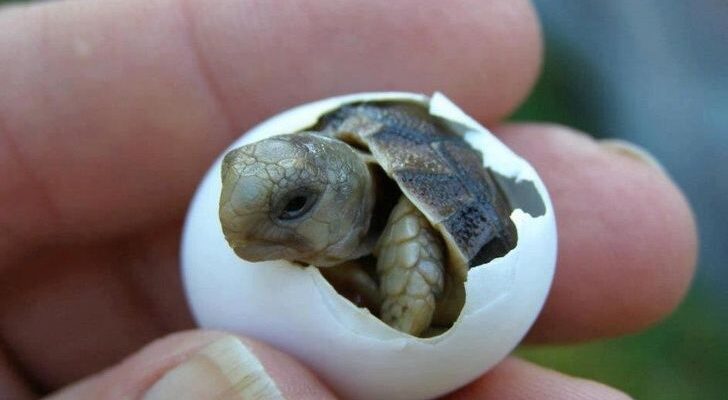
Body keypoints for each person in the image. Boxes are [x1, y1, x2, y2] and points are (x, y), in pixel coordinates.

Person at [0, 1, 697, 399]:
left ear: (341, 191)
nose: (238, 232)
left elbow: (416, 315)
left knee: (411, 251)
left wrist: (399, 336)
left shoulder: (404, 220)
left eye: (295, 205)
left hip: (425, 201)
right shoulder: (293, 168)